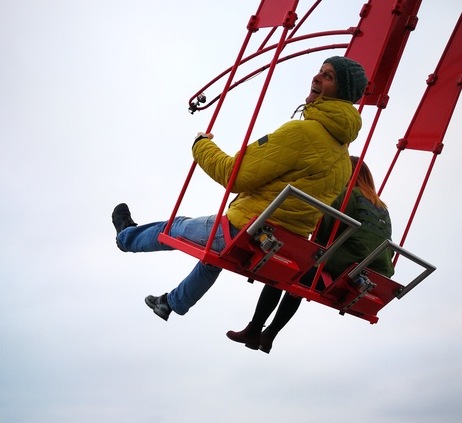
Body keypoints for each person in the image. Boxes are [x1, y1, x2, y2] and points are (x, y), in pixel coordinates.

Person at [112, 56, 368, 321]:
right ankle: (172, 303)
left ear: (343, 92)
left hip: (250, 230)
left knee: (178, 227)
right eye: (319, 71)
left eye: (328, 76)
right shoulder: (343, 160)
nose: (317, 77)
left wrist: (201, 145)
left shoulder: (303, 133)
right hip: (287, 247)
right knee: (214, 257)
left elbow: (234, 176)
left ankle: (126, 238)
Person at [226, 157, 394, 353]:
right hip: (371, 279)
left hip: (342, 272)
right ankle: (269, 334)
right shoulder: (382, 208)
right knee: (298, 276)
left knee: (283, 268)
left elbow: (322, 229)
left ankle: (255, 329)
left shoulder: (348, 195)